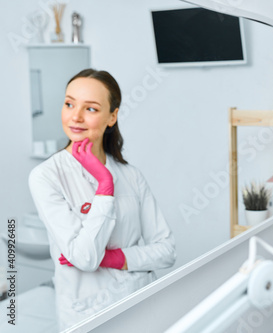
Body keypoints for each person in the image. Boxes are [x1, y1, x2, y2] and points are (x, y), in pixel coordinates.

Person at [29, 69, 176, 330]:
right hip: (86, 313)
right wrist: (105, 186)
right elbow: (84, 257)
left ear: (112, 116)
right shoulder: (46, 177)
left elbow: (166, 251)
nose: (75, 116)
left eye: (91, 109)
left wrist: (114, 258)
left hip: (139, 303)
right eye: (69, 103)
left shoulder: (132, 176)